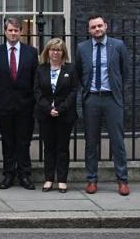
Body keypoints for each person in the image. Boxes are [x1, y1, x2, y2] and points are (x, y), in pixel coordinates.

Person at [75, 14, 130, 196]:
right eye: (93, 27)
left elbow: (125, 72)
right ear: (89, 30)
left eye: (99, 26)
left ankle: (122, 180)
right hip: (91, 99)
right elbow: (79, 72)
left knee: (117, 141)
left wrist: (118, 91)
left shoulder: (118, 46)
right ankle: (91, 180)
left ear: (105, 26)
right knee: (91, 142)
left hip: (112, 98)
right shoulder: (82, 48)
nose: (97, 29)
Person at [0, 17, 38, 190]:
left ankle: (25, 174)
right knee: (7, 141)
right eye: (10, 30)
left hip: (26, 105)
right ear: (5, 31)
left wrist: (35, 103)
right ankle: (8, 174)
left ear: (21, 32)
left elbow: (35, 80)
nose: (13, 33)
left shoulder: (31, 52)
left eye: (16, 30)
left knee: (24, 141)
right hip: (4, 104)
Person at [34, 38, 78, 193]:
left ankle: (62, 180)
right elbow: (37, 91)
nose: (55, 52)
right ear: (48, 51)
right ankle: (48, 179)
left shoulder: (70, 69)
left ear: (63, 52)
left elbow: (73, 92)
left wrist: (60, 109)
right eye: (52, 49)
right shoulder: (41, 69)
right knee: (49, 147)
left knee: (62, 147)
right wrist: (48, 109)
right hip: (45, 115)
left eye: (58, 50)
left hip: (64, 115)